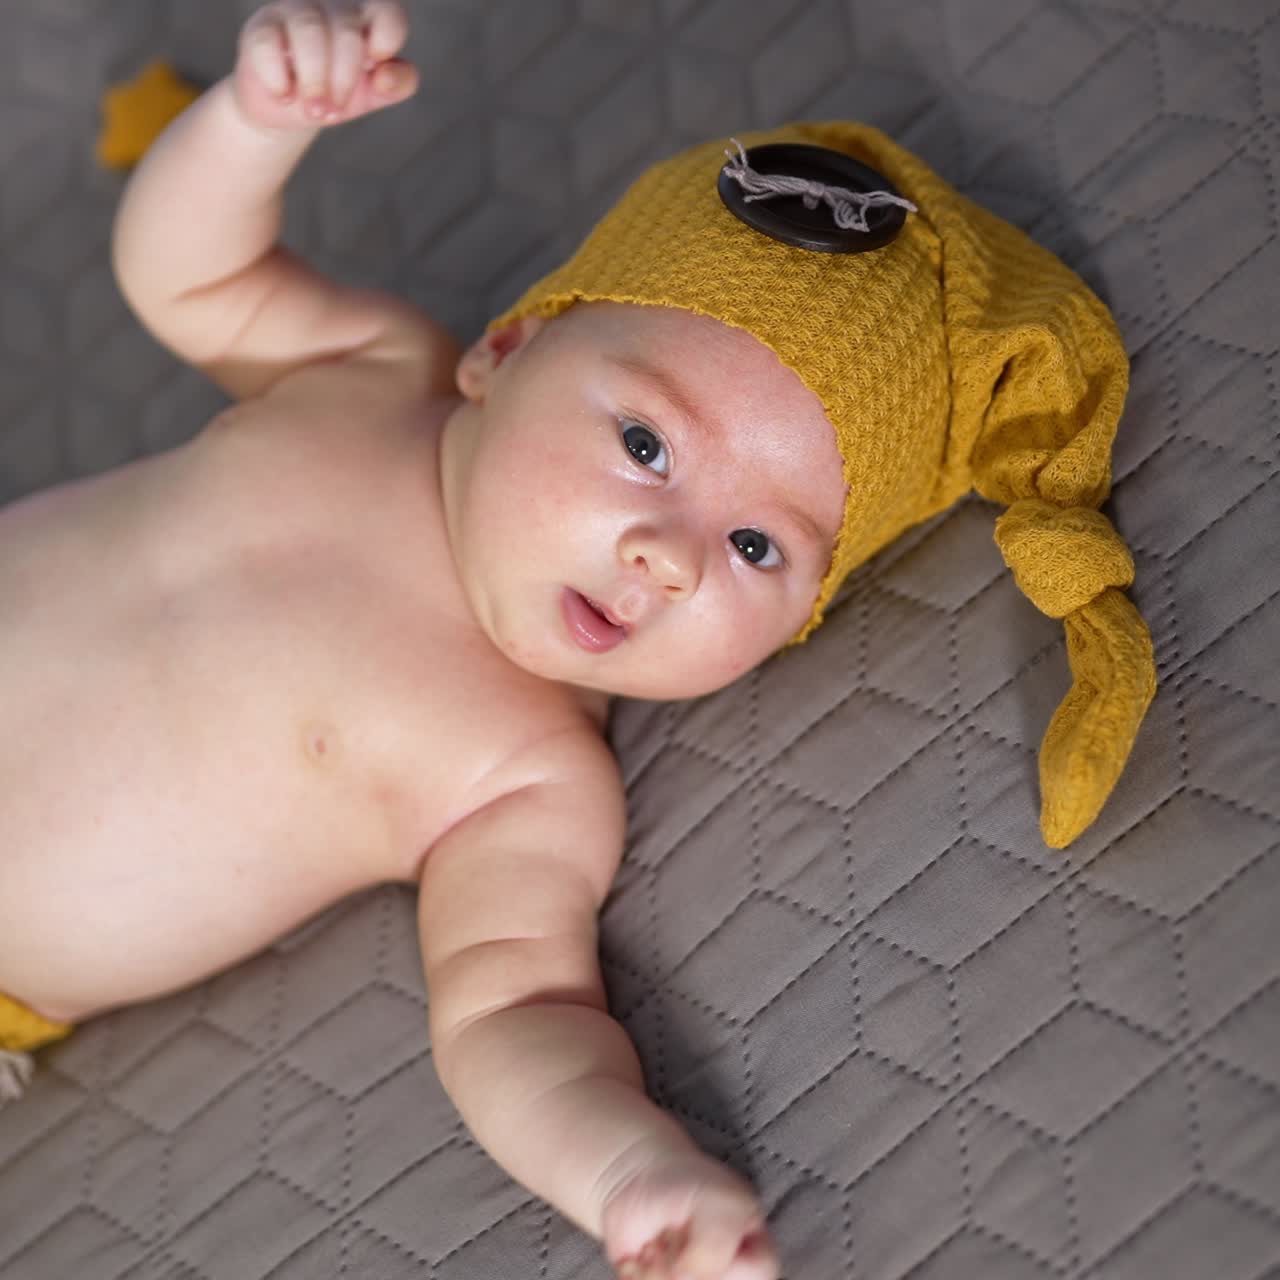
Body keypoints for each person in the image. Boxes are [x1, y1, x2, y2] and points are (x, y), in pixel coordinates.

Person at [0, 2, 1156, 1277]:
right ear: (508, 348)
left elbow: (516, 1012)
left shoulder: (527, 775)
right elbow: (186, 274)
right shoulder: (375, 370)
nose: (669, 552)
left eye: (757, 549)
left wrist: (623, 1168)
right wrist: (252, 121)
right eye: (645, 445)